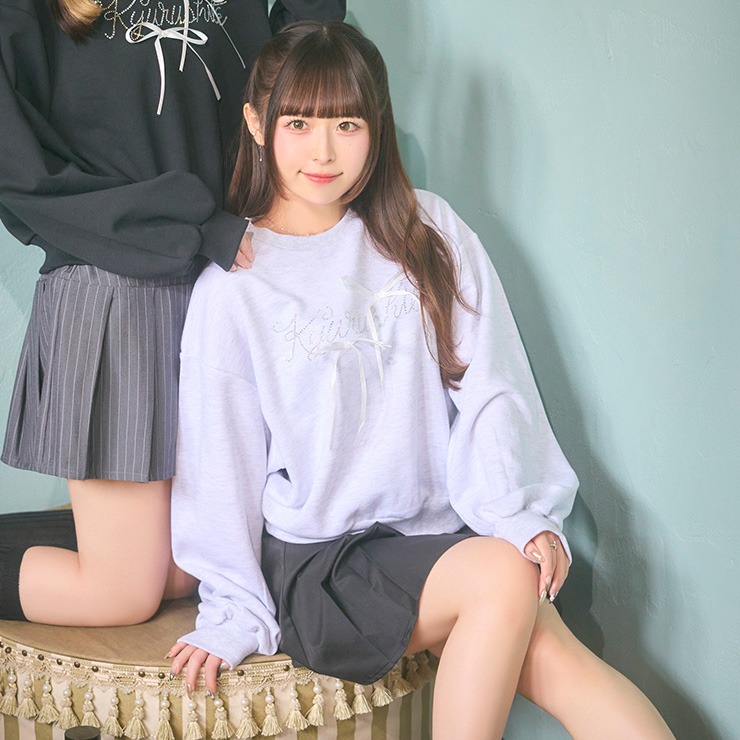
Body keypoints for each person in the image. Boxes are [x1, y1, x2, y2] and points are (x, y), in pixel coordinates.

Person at [167, 21, 674, 738]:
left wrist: (521, 513)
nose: (323, 151)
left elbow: (492, 383)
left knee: (550, 647)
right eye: (298, 123)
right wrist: (230, 608)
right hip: (322, 564)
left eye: (347, 124)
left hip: (435, 538)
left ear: (377, 125)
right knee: (505, 579)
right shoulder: (234, 285)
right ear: (256, 124)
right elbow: (219, 456)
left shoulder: (425, 228)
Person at [0, 0, 345, 626]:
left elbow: (301, 68)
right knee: (122, 594)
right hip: (116, 282)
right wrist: (181, 228)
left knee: (188, 569)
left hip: (218, 288)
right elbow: (20, 172)